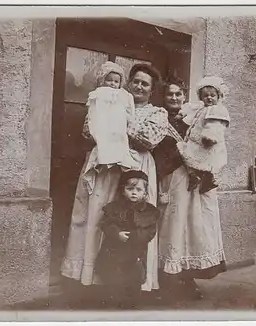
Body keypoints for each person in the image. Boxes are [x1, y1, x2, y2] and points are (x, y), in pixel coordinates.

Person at [60, 63, 168, 295]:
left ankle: (132, 280)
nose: (139, 86)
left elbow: (147, 141)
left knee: (133, 219)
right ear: (127, 83)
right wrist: (108, 115)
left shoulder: (157, 113)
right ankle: (91, 276)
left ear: (152, 90)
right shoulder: (107, 102)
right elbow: (88, 132)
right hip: (106, 168)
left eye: (145, 84)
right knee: (98, 214)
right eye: (135, 81)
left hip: (136, 168)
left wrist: (118, 121)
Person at [153, 76, 228, 302]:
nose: (174, 98)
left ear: (184, 97)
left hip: (194, 181)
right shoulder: (159, 118)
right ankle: (166, 276)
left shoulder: (194, 116)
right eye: (170, 94)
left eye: (178, 94)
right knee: (172, 226)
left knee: (194, 226)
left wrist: (202, 171)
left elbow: (209, 144)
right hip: (171, 178)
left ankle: (188, 276)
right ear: (164, 98)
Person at [95, 170, 160, 309]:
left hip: (135, 251)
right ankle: (113, 302)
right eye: (130, 189)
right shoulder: (115, 207)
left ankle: (132, 305)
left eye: (138, 189)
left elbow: (150, 231)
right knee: (113, 276)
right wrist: (117, 234)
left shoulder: (149, 212)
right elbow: (105, 224)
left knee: (134, 278)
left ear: (145, 193)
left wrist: (136, 236)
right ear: (123, 191)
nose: (134, 192)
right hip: (115, 250)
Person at [83, 61, 140, 194]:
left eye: (116, 81)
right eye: (109, 80)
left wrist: (128, 123)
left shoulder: (124, 96)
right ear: (102, 81)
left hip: (118, 127)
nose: (112, 84)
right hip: (102, 126)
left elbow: (130, 112)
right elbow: (92, 113)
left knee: (119, 145)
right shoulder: (98, 94)